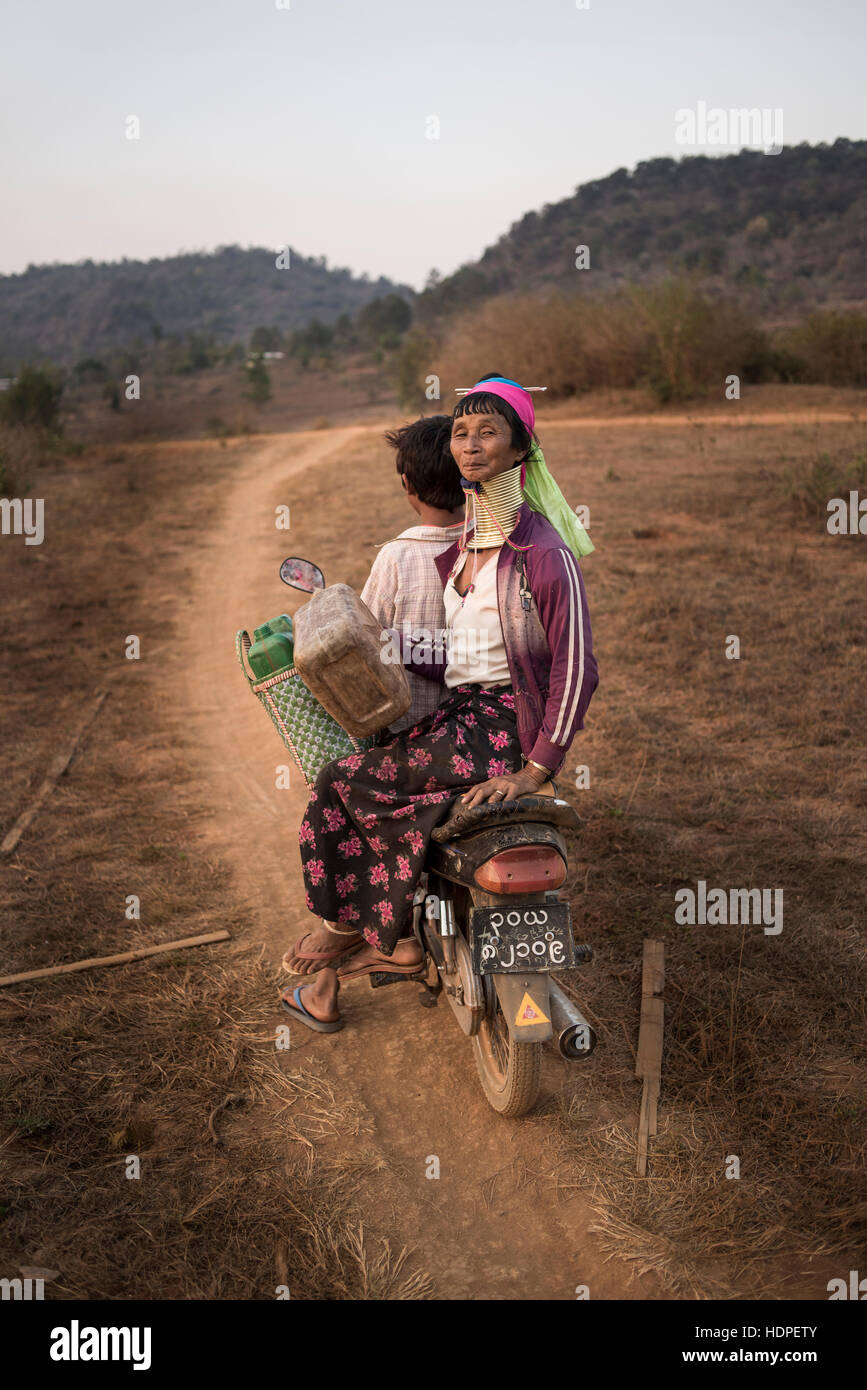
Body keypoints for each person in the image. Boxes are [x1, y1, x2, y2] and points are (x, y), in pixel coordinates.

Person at [280, 373, 598, 1032]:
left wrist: (536, 767)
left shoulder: (540, 551)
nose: (472, 444)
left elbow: (578, 666)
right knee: (393, 783)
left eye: (489, 431)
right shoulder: (466, 548)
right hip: (465, 716)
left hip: (502, 727)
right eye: (461, 432)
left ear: (519, 451)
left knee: (342, 780)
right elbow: (454, 651)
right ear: (451, 452)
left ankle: (381, 941)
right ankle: (403, 928)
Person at [360, 415, 466, 735]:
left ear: (407, 483)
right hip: (478, 732)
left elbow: (364, 641)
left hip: (406, 735)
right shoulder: (493, 547)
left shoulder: (395, 557)